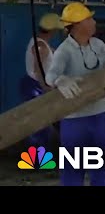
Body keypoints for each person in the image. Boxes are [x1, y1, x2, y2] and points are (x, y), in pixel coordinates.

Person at [46, 2, 105, 186]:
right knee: (72, 168)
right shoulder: (64, 50)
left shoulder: (98, 45)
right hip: (74, 119)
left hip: (100, 114)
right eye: (89, 19)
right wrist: (60, 80)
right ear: (77, 25)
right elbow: (50, 76)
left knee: (101, 166)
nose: (94, 22)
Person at [20, 12, 65, 147]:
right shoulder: (41, 46)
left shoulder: (39, 43)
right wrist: (45, 87)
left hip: (34, 85)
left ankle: (39, 160)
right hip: (35, 86)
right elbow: (38, 69)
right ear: (52, 30)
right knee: (39, 125)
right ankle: (37, 161)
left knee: (41, 124)